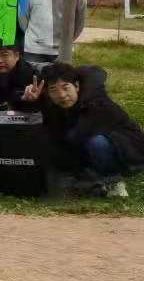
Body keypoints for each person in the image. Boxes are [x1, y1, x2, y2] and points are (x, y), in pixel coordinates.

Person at [40, 63, 143, 197]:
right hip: (88, 149)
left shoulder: (96, 103)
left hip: (128, 152)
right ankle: (89, 180)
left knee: (96, 142)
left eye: (66, 88)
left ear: (77, 86)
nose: (62, 95)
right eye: (53, 90)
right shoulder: (55, 106)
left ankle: (113, 181)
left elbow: (76, 137)